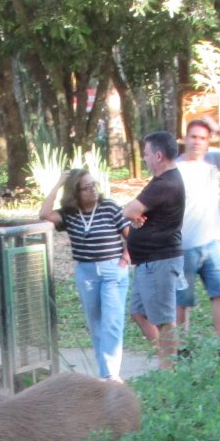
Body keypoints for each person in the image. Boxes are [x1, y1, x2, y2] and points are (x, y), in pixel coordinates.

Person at [40, 168, 130, 381]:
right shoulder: (70, 214)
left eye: (93, 185)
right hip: (86, 273)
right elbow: (44, 214)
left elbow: (132, 236)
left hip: (112, 270)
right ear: (75, 192)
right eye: (86, 188)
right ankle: (105, 374)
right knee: (96, 324)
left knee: (112, 322)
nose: (92, 190)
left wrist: (124, 260)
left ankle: (111, 375)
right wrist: (58, 183)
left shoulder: (109, 208)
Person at [176, 116, 220, 344]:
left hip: (213, 241)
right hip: (183, 244)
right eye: (193, 137)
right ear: (185, 139)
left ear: (208, 142)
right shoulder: (174, 167)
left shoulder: (212, 161)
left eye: (203, 138)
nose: (197, 142)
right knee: (182, 299)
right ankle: (182, 346)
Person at [121, 131, 186, 369]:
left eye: (147, 154)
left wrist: (135, 215)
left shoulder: (165, 183)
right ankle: (167, 359)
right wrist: (137, 216)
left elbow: (128, 211)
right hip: (147, 261)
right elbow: (134, 211)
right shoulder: (161, 182)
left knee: (164, 320)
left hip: (160, 259)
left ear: (158, 155)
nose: (145, 159)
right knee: (138, 313)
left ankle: (169, 369)